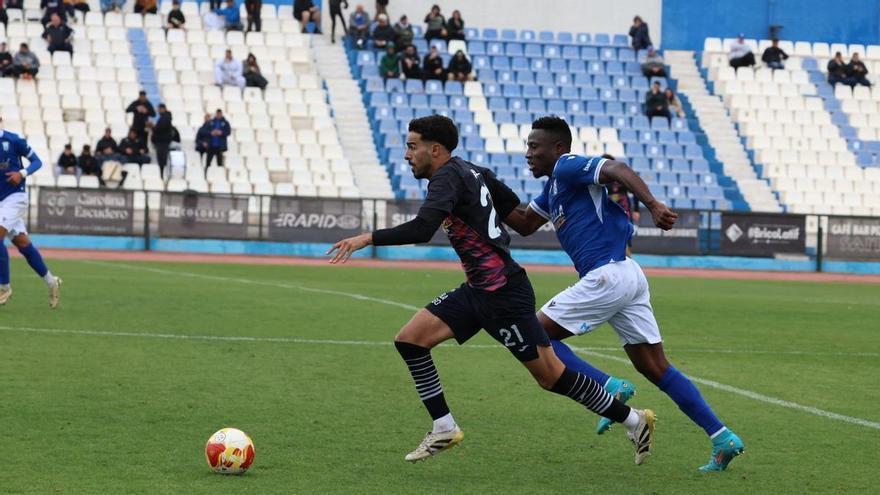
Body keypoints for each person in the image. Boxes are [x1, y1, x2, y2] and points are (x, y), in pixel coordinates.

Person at [327, 115, 656, 464]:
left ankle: (634, 420)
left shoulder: (446, 179)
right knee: (411, 340)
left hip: (503, 295)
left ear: (434, 149)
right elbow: (518, 215)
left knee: (551, 377)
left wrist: (368, 237)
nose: (407, 155)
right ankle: (443, 427)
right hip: (478, 290)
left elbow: (424, 229)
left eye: (412, 146)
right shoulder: (474, 172)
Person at [503, 115, 745, 472]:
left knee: (533, 334)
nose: (528, 153)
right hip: (627, 275)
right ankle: (722, 437)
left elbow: (617, 168)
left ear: (557, 148)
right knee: (655, 366)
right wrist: (485, 192)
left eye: (534, 146)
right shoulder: (552, 188)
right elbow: (524, 224)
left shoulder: (568, 166)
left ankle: (608, 387)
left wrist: (652, 203)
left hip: (606, 276)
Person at [0, 122, 63, 309]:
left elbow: (37, 161)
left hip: (15, 198)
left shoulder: (13, 140)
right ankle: (52, 282)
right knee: (23, 244)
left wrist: (22, 173)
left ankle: (4, 287)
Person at [601, 154, 639, 257]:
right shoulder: (600, 180)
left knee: (626, 236)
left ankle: (628, 259)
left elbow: (635, 190)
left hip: (624, 212)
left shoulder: (622, 177)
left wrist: (636, 210)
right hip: (608, 214)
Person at [151, 104, 174, 176]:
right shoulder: (165, 117)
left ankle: (162, 174)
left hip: (162, 142)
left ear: (163, 109)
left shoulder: (165, 118)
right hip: (162, 141)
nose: (159, 111)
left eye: (160, 109)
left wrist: (153, 127)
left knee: (162, 159)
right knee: (161, 159)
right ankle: (162, 173)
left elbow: (160, 129)